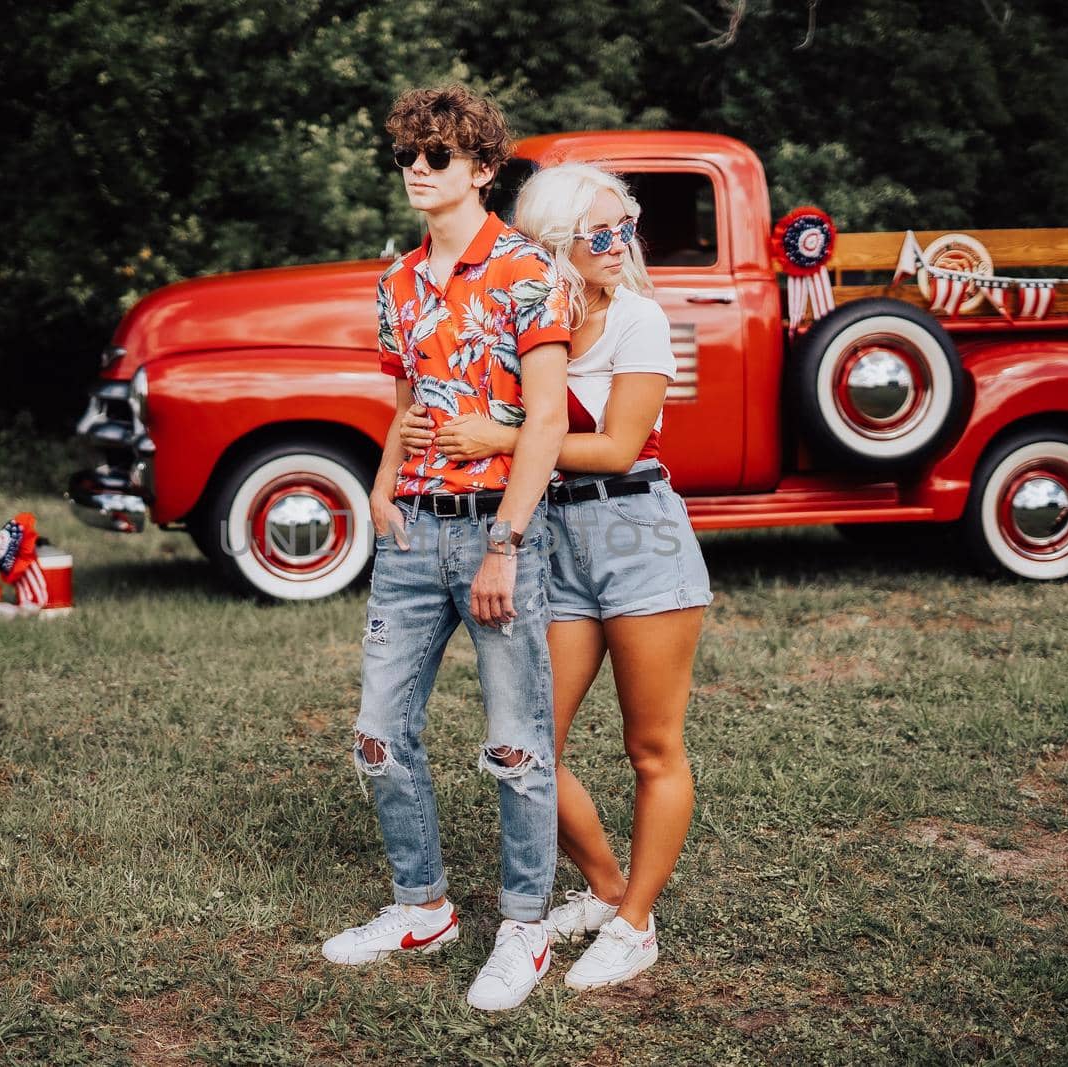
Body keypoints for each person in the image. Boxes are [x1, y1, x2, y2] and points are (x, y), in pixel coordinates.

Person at [400, 163, 711, 990]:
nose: (620, 245)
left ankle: (637, 923)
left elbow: (615, 446)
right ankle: (610, 892)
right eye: (598, 235)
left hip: (637, 532)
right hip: (548, 537)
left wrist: (503, 441)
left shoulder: (640, 320)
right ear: (552, 247)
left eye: (625, 227)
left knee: (652, 745)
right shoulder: (522, 324)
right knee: (528, 744)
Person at [319, 85, 572, 1013]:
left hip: (497, 533)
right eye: (407, 158)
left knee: (514, 746)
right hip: (411, 534)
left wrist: (506, 541)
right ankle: (421, 905)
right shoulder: (395, 282)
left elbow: (545, 419)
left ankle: (524, 926)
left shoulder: (528, 272)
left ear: (484, 169)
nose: (418, 171)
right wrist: (382, 485)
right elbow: (406, 404)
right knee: (378, 737)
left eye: (438, 157)